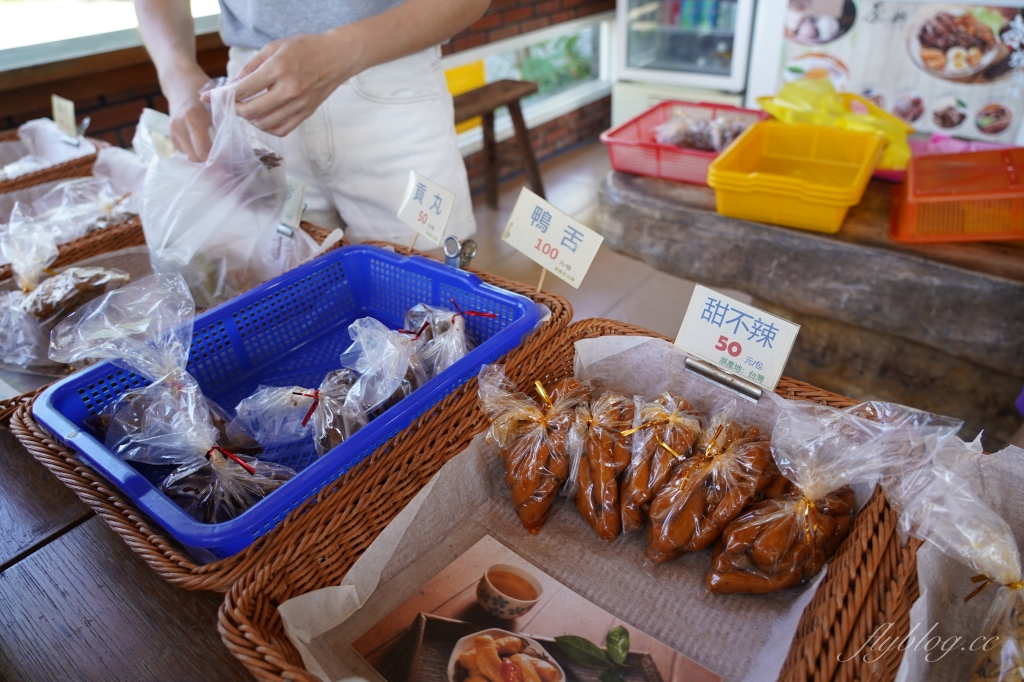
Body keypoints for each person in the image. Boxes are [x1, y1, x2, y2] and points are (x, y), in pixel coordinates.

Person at [134, 0, 488, 243]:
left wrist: (344, 50)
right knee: (294, 308)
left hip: (387, 72)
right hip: (253, 98)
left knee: (431, 303)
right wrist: (176, 74)